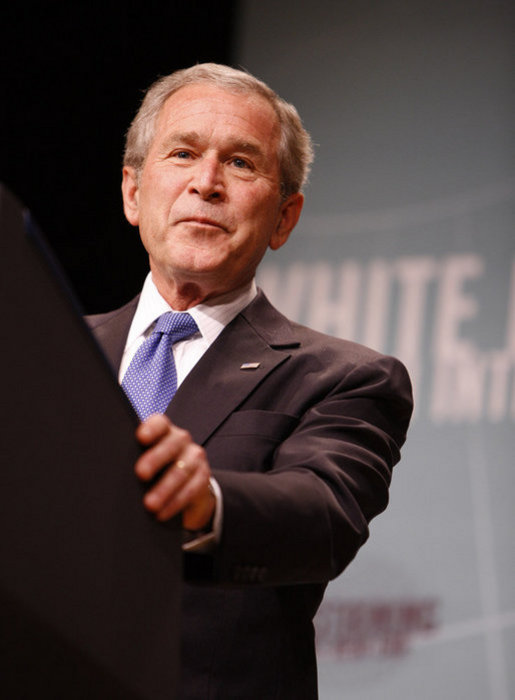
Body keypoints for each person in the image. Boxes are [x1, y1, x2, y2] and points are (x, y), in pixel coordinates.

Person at [87, 63, 413, 700]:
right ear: (132, 192)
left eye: (241, 164)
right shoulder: (45, 348)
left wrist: (206, 501)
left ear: (285, 217)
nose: (206, 184)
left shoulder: (344, 378)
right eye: (182, 153)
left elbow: (324, 514)